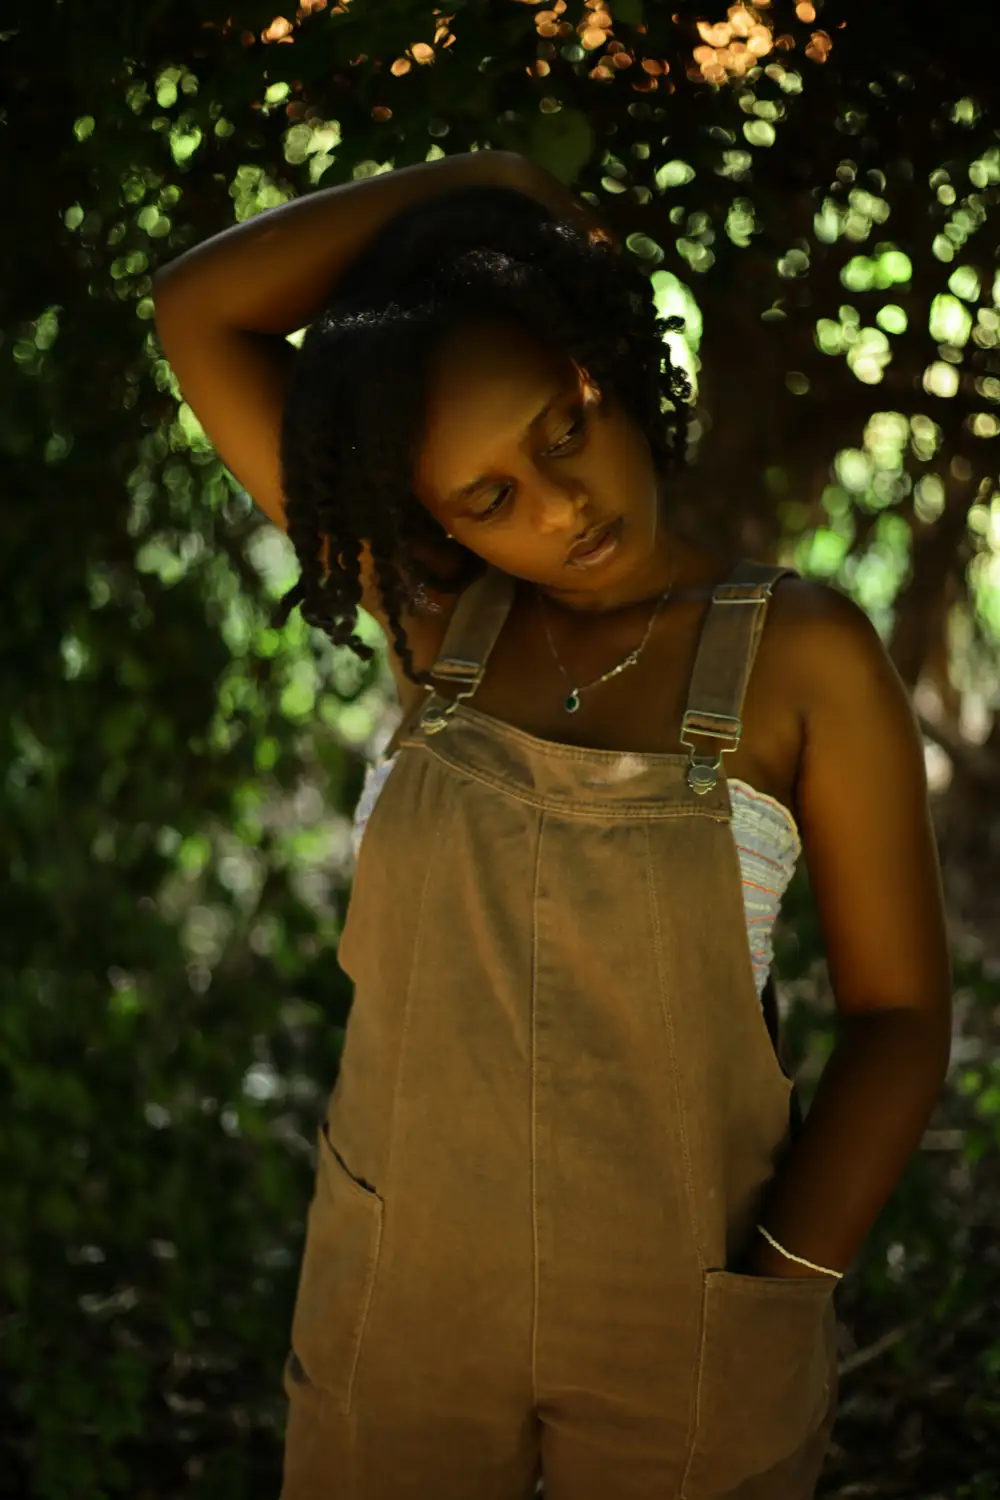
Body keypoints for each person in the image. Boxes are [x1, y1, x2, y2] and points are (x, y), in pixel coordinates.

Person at [152, 149, 953, 1500]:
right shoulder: (430, 621)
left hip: (684, 1323)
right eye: (489, 501)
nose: (563, 508)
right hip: (403, 1295)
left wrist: (777, 1291)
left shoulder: (802, 658)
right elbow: (197, 313)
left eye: (561, 434)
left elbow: (899, 1016)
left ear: (606, 368)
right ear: (428, 520)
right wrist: (473, 179)